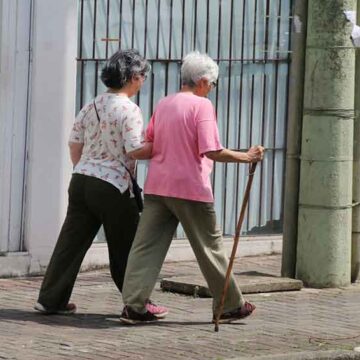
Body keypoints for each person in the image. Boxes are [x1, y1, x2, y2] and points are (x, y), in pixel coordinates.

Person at [119, 51, 264, 325]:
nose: (211, 89)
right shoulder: (202, 106)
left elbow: (149, 143)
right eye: (212, 84)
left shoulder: (164, 103)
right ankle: (231, 305)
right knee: (210, 248)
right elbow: (211, 150)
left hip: (158, 187)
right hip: (190, 189)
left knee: (145, 246)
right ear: (202, 81)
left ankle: (134, 305)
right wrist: (247, 156)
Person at [34, 49, 167, 318]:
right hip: (113, 186)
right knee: (126, 247)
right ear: (131, 77)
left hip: (82, 179)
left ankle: (50, 299)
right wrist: (161, 146)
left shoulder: (91, 104)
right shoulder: (129, 109)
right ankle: (137, 304)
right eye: (142, 75)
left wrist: (83, 167)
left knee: (70, 243)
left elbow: (74, 142)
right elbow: (134, 149)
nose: (143, 81)